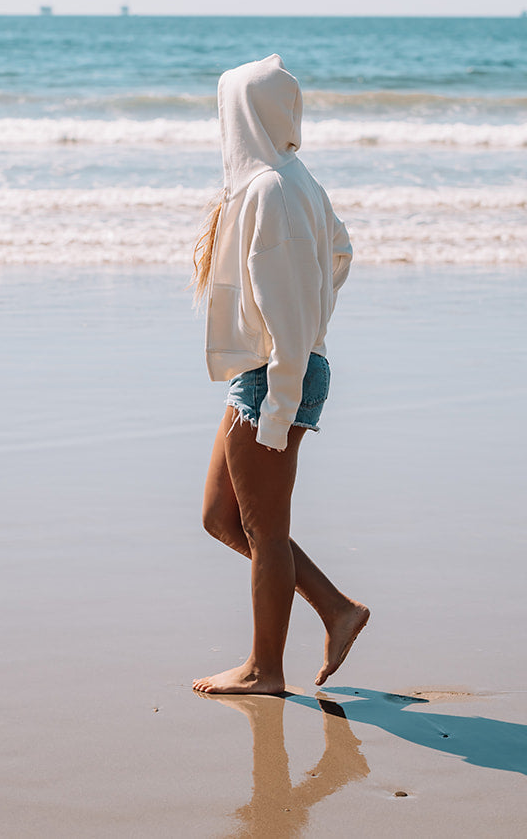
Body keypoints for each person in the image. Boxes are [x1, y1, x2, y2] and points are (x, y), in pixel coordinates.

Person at [191, 54, 369, 695]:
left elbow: (293, 306)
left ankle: (266, 670)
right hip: (265, 371)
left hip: (275, 377)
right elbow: (341, 249)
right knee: (221, 517)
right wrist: (315, 302)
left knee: (266, 531)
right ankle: (337, 609)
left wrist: (284, 389)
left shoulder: (273, 189)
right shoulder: (290, 181)